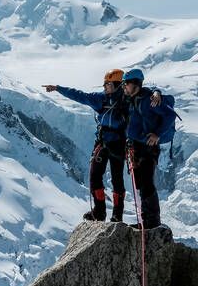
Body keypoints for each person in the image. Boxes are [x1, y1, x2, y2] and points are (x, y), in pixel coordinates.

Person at [43, 70, 128, 222]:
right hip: (104, 142)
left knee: (117, 179)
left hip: (118, 143)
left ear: (118, 85)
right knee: (95, 176)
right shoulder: (102, 98)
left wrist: (156, 93)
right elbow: (79, 95)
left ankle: (117, 215)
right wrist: (58, 88)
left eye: (107, 84)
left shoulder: (127, 101)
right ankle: (99, 211)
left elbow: (145, 98)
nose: (104, 87)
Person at [122, 68, 173, 229]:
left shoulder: (148, 100)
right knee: (140, 183)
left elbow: (170, 115)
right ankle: (146, 220)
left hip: (148, 147)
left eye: (126, 83)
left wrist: (157, 134)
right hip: (136, 146)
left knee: (146, 182)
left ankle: (152, 221)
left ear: (135, 83)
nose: (124, 87)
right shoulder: (133, 99)